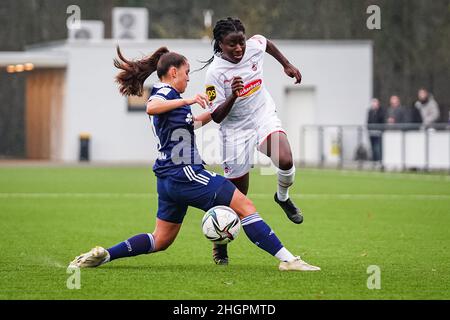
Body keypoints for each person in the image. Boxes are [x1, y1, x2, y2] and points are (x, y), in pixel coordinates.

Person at [68, 46, 320, 272]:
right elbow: (151, 106)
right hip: (186, 173)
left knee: (161, 239)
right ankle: (289, 260)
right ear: (174, 71)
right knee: (246, 207)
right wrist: (187, 99)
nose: (189, 77)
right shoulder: (164, 92)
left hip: (168, 180)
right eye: (187, 72)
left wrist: (216, 107)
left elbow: (194, 123)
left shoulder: (173, 99)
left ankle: (106, 255)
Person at [202, 17, 304, 265]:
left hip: (262, 116)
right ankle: (220, 245)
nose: (238, 49)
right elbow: (216, 116)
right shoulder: (214, 73)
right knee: (237, 195)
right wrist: (234, 96)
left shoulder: (254, 46)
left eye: (241, 43)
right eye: (231, 45)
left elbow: (265, 42)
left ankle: (282, 197)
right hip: (234, 132)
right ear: (219, 44)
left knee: (286, 159)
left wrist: (287, 65)